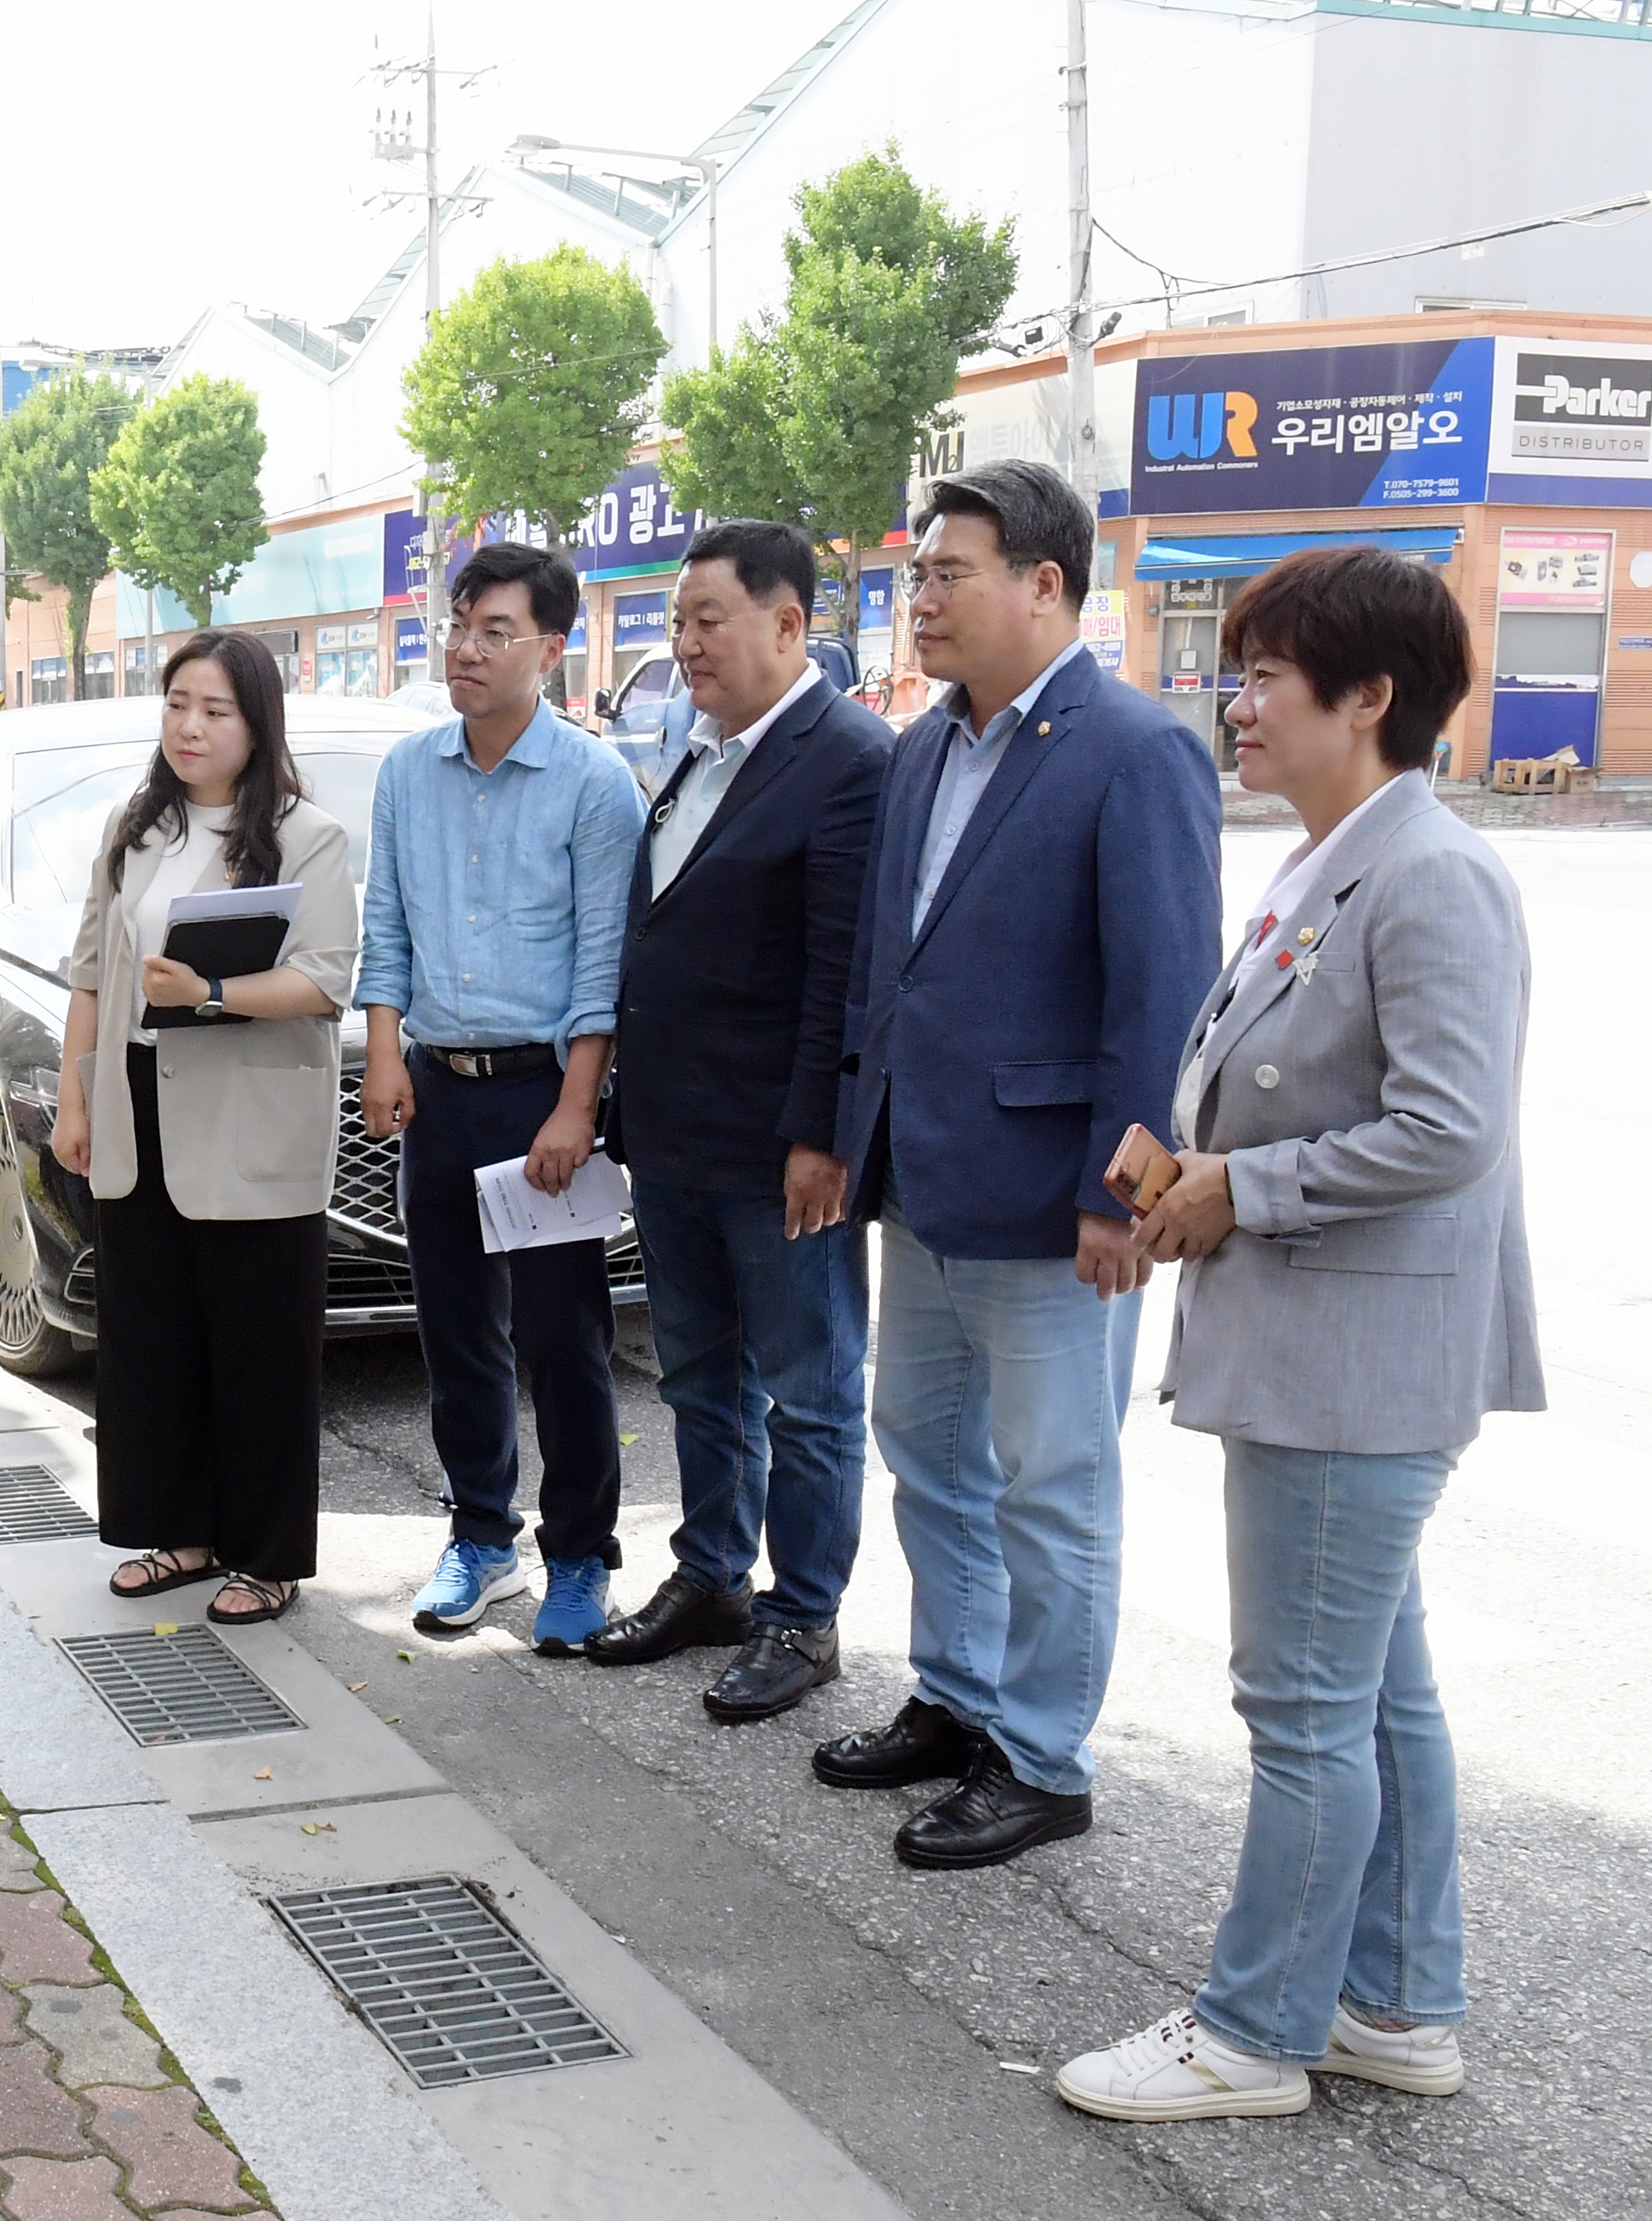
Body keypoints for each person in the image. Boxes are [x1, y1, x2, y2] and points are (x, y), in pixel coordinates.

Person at [1056, 546, 1541, 2120]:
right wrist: (1185, 1174)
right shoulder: (1335, 856)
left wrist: (1239, 1189)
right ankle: (1395, 2002)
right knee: (1375, 1693)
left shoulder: (1431, 872)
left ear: (1371, 697)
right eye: (1239, 670)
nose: (1234, 700)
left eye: (1264, 674)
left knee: (1306, 1713)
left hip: (1358, 1364)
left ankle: (1256, 2031)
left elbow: (1448, 1130)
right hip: (1323, 1348)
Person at [823, 458, 1220, 1869]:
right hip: (923, 1180)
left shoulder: (1133, 748)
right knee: (926, 1450)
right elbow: (889, 969)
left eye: (946, 574)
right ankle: (960, 1694)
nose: (916, 599)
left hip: (1059, 1202)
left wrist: (1125, 1193)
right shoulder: (925, 744)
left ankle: (1044, 1757)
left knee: (1052, 1480)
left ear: (1044, 586)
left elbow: (1163, 999)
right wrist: (842, 1140)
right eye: (913, 575)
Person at [587, 522, 888, 1720]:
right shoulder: (696, 750)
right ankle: (712, 1573)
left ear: (786, 622)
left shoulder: (850, 755)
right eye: (677, 618)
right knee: (701, 1378)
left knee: (812, 1392)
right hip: (673, 1132)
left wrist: (822, 1137)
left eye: (708, 617)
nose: (685, 641)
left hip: (780, 1151)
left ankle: (803, 1616)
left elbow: (842, 972)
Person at [359, 541, 646, 1651]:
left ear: (552, 648)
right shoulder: (408, 771)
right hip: (437, 1089)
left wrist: (578, 1108)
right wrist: (386, 1051)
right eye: (459, 624)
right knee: (455, 1333)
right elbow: (387, 927)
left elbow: (600, 966)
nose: (466, 650)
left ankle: (580, 1559)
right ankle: (482, 1536)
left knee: (566, 1341)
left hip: (543, 1097)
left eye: (495, 631)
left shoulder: (593, 784)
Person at [51, 631, 359, 1625]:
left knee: (258, 1344)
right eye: (178, 702)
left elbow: (324, 983)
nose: (190, 725)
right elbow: (94, 972)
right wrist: (75, 1095)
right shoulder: (134, 827)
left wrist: (212, 992)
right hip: (137, 1107)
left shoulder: (310, 838)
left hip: (251, 1119)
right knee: (152, 1336)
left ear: (257, 722)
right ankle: (177, 1532)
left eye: (215, 709)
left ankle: (267, 1556)